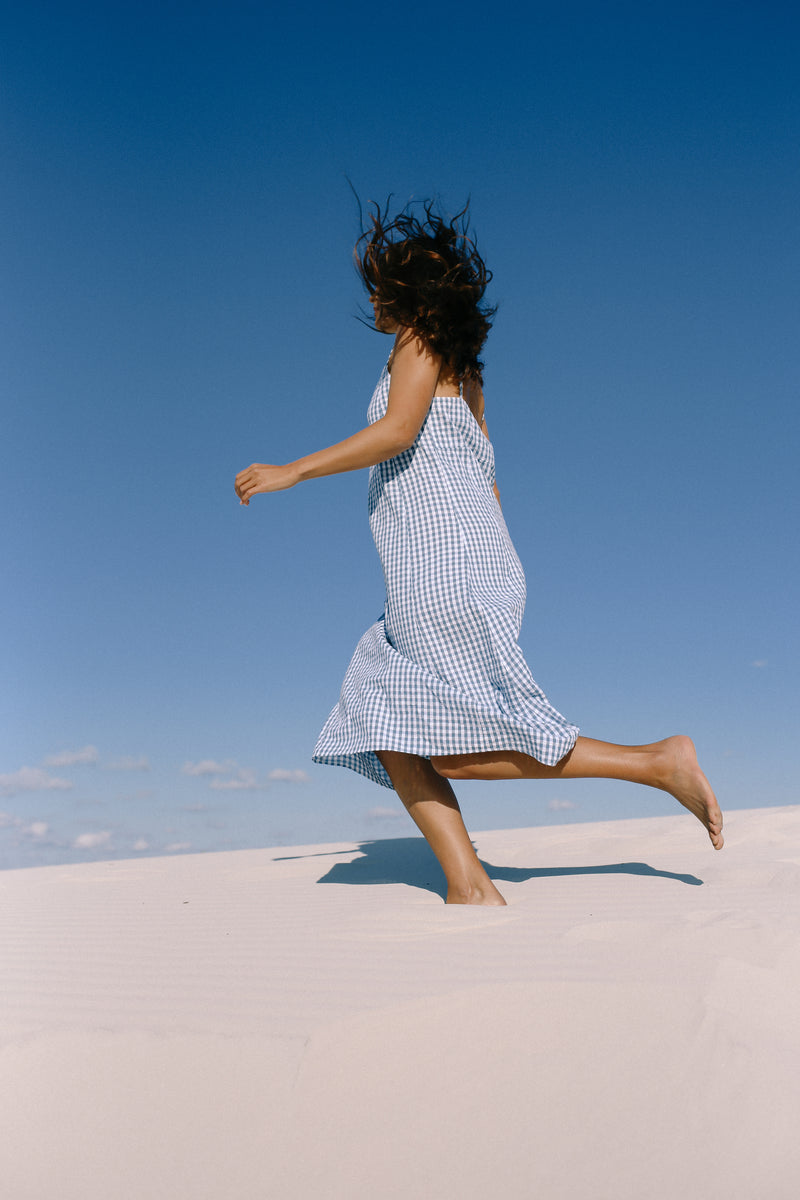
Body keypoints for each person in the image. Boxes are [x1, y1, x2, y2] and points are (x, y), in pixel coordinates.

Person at [235, 199, 723, 906]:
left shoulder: (418, 341)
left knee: (452, 746)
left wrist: (293, 470)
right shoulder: (462, 366)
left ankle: (655, 762)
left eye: (380, 285)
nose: (371, 300)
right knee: (385, 716)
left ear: (409, 294)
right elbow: (485, 470)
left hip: (443, 563)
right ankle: (470, 887)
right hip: (457, 558)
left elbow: (399, 432)